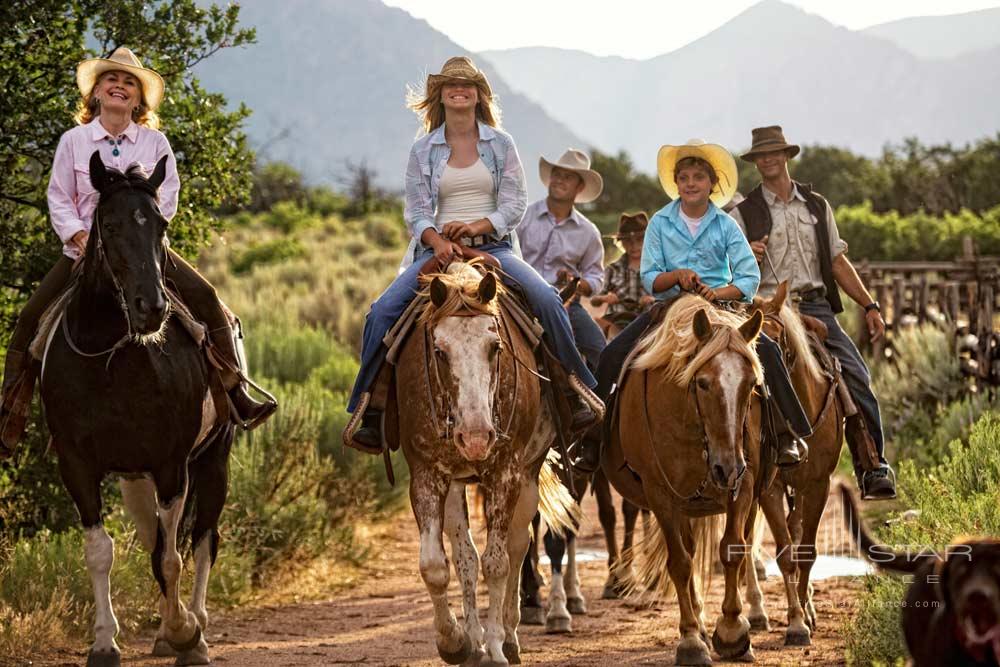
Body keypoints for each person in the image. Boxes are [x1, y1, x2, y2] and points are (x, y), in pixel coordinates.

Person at [0, 48, 277, 453]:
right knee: (30, 318)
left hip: (146, 253)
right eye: (112, 79)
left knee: (207, 297)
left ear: (139, 98)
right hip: (84, 253)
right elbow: (59, 196)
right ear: (96, 92)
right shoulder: (74, 142)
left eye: (130, 82)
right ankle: (11, 410)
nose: (120, 86)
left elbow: (169, 197)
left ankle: (235, 392)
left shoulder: (155, 143)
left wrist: (146, 238)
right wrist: (77, 234)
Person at [345, 56, 600, 453]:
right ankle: (369, 409)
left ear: (479, 95)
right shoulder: (423, 148)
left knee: (548, 300)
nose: (458, 90)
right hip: (437, 252)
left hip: (493, 247)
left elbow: (515, 203)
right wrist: (437, 240)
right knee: (380, 313)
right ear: (440, 96)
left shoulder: (500, 143)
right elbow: (415, 209)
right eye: (450, 85)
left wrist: (478, 226)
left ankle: (573, 391)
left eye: (466, 84)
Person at [590, 139, 812, 470]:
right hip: (670, 308)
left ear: (712, 184)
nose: (690, 183)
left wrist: (719, 294)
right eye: (684, 177)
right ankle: (595, 440)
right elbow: (651, 278)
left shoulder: (726, 225)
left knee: (768, 352)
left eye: (698, 176)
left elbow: (748, 277)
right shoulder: (660, 224)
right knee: (613, 355)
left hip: (720, 311)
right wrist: (677, 274)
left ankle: (786, 434)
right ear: (676, 184)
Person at [730, 125, 896, 500]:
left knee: (855, 373)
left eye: (774, 152)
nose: (768, 159)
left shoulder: (817, 206)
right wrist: (746, 258)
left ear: (787, 156)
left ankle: (872, 465)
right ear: (755, 162)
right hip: (768, 309)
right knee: (738, 377)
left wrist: (869, 304)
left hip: (816, 305)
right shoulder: (742, 214)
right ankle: (733, 461)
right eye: (761, 155)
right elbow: (731, 273)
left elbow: (837, 261)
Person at [517, 148, 607, 370]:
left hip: (565, 302)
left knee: (599, 349)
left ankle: (593, 401)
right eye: (557, 174)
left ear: (580, 187)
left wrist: (577, 283)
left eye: (567, 177)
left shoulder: (588, 231)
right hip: (519, 298)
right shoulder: (523, 217)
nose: (559, 180)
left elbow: (596, 276)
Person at [591, 212, 656, 335]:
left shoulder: (657, 268)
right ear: (621, 242)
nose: (634, 246)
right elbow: (594, 300)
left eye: (639, 240)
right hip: (616, 322)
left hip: (648, 324)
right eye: (628, 241)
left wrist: (653, 300)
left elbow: (669, 298)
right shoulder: (612, 269)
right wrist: (605, 298)